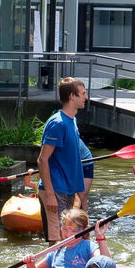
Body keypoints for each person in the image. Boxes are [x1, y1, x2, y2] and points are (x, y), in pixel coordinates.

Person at [37, 77, 89, 242]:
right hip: (55, 190)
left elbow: (73, 163)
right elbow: (42, 160)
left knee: (68, 238)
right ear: (72, 96)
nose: (86, 97)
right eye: (83, 93)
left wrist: (82, 197)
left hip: (68, 191)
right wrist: (50, 195)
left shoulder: (72, 122)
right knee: (57, 240)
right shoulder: (57, 124)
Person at [23, 209, 112, 268]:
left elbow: (105, 263)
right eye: (65, 229)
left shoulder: (88, 246)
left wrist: (100, 238)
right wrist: (30, 264)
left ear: (84, 230)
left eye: (73, 231)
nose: (68, 234)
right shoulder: (56, 249)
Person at [78, 140, 95, 207]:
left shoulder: (73, 141)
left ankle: (83, 216)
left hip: (86, 165)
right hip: (74, 164)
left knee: (82, 196)